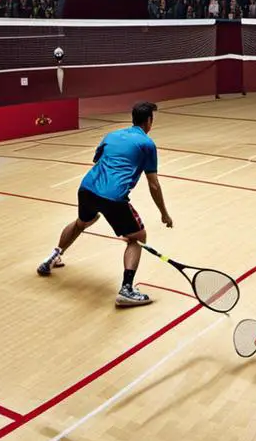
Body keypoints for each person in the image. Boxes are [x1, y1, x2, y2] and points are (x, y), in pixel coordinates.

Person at [36, 101, 174, 307]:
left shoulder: (112, 135)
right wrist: (164, 213)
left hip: (88, 188)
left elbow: (97, 160)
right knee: (137, 238)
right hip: (114, 197)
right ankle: (127, 289)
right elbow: (153, 184)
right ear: (149, 121)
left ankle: (52, 257)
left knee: (82, 222)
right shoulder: (147, 144)